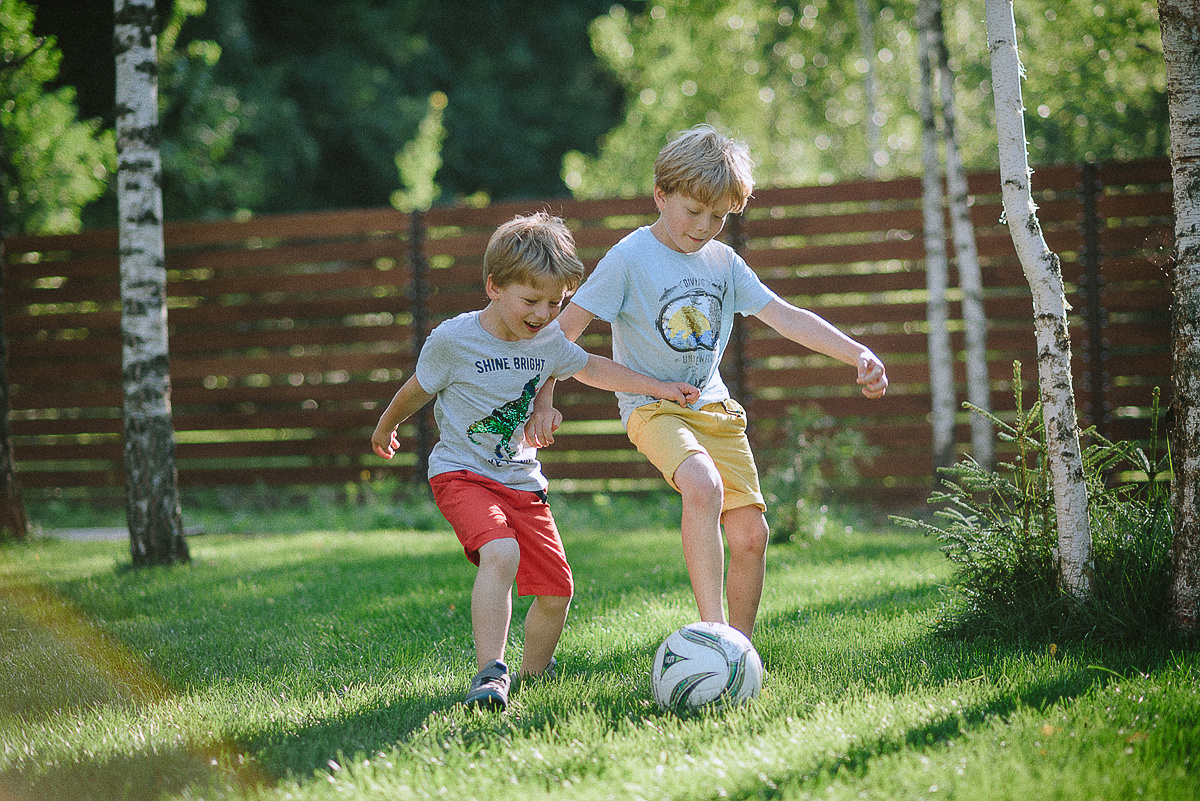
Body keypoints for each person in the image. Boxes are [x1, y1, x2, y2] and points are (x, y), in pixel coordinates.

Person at [527, 125, 888, 639]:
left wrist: (857, 352)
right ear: (660, 194)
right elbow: (560, 336)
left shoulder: (723, 262)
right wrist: (544, 402)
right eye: (694, 211)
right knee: (702, 485)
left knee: (751, 536)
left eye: (719, 216)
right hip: (652, 407)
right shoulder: (628, 259)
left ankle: (737, 650)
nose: (705, 227)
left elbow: (785, 316)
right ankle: (712, 634)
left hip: (713, 406)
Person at [371, 212, 699, 711]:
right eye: (531, 300)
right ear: (493, 287)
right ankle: (491, 674)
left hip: (522, 479)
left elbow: (593, 368)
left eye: (556, 302)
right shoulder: (453, 340)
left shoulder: (548, 341)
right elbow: (417, 389)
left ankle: (533, 678)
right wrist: (386, 425)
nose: (545, 314)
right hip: (462, 472)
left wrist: (660, 388)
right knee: (500, 553)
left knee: (557, 591)